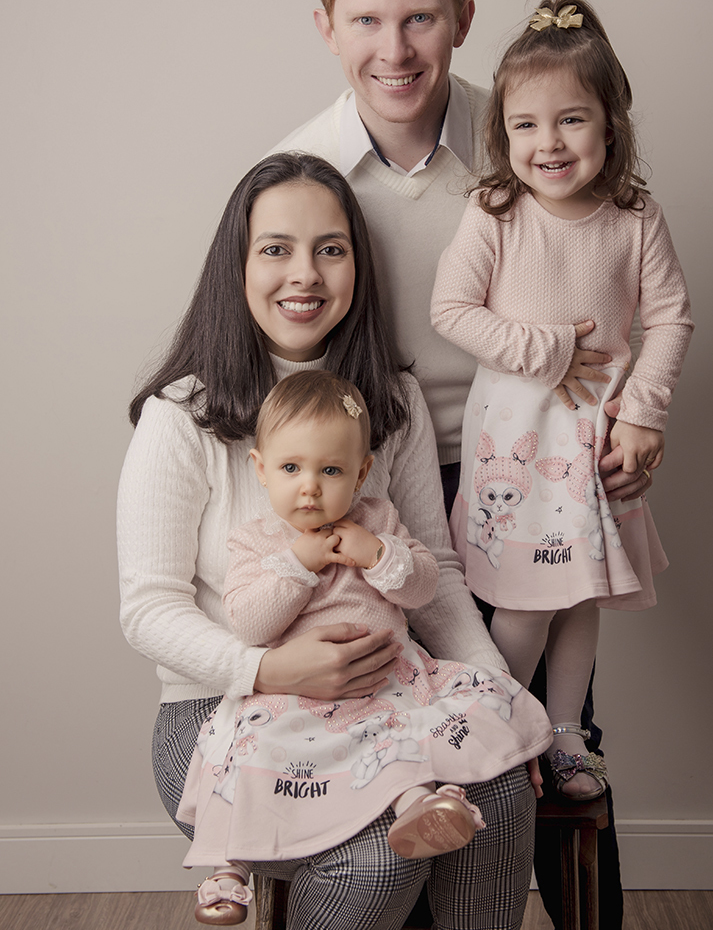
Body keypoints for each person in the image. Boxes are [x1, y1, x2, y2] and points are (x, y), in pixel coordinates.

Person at [270, 0, 652, 925]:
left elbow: (624, 300)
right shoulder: (296, 174)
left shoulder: (522, 138)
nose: (393, 49)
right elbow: (277, 357)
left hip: (530, 474)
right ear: (325, 27)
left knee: (555, 738)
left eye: (420, 19)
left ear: (464, 17)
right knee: (406, 751)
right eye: (364, 20)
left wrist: (631, 426)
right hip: (377, 495)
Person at [117, 151, 541, 930]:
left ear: (357, 265)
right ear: (237, 267)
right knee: (380, 854)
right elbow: (149, 608)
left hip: (386, 698)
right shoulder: (183, 415)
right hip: (226, 712)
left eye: (331, 249)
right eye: (275, 249)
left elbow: (436, 571)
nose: (304, 274)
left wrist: (495, 690)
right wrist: (271, 667)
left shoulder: (394, 400)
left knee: (504, 792)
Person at [431, 0, 693, 800]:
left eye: (571, 120)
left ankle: (569, 733)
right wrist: (549, 350)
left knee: (580, 592)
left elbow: (672, 316)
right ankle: (504, 727)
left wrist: (644, 412)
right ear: (502, 131)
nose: (548, 143)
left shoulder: (632, 216)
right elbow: (450, 311)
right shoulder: (494, 211)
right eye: (525, 124)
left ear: (610, 124)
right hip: (520, 435)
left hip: (597, 437)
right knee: (523, 596)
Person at [177, 372, 549, 922]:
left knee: (409, 729)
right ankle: (228, 866)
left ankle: (417, 805)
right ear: (260, 469)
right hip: (295, 696)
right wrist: (299, 566)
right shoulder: (257, 541)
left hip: (388, 681)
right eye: (290, 469)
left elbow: (424, 585)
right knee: (246, 749)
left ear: (361, 473)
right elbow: (249, 623)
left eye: (330, 470)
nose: (310, 486)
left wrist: (377, 554)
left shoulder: (376, 519)